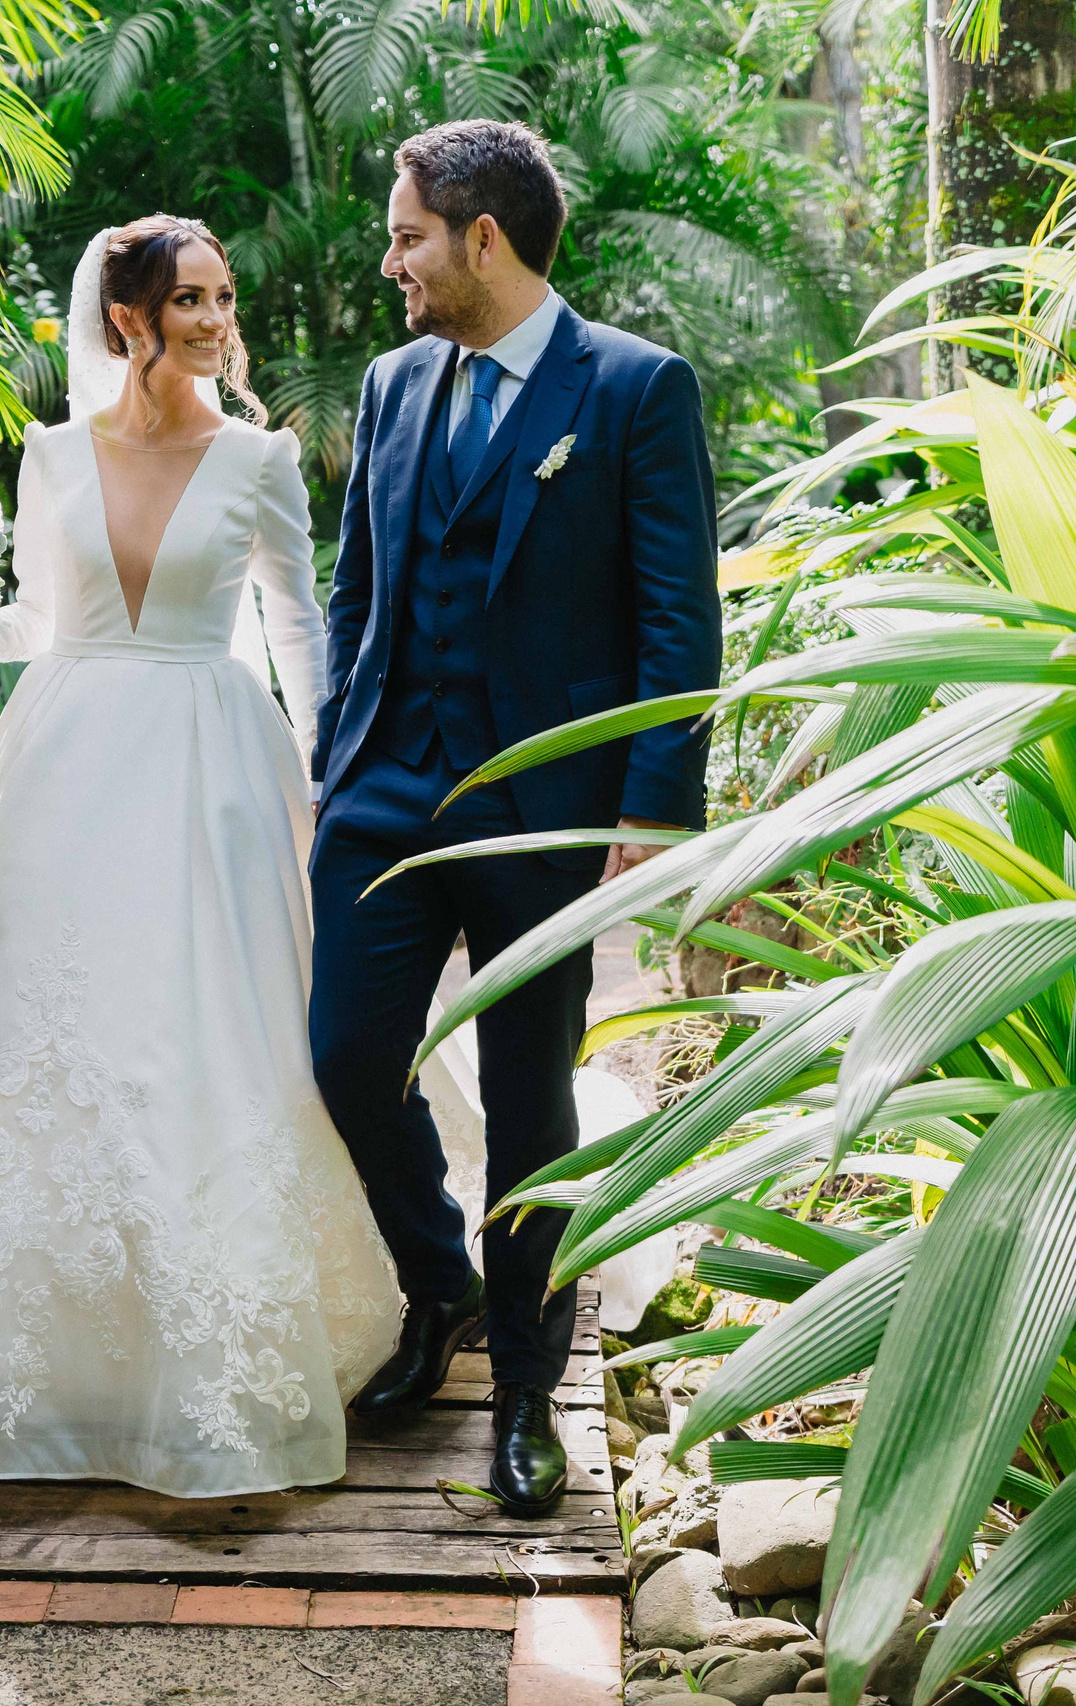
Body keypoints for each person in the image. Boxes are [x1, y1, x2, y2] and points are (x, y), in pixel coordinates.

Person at [0, 216, 404, 1497]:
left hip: (212, 763)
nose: (213, 319)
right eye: (189, 299)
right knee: (37, 1035)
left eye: (222, 297)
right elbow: (37, 618)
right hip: (64, 761)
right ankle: (56, 1369)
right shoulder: (46, 456)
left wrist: (325, 772)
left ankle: (213, 1354)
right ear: (127, 318)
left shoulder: (258, 459)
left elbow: (299, 627)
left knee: (204, 1040)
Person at [307, 120, 721, 1515]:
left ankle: (529, 1392)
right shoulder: (389, 385)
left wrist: (651, 814)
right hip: (382, 795)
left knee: (531, 1098)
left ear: (484, 239)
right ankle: (448, 1283)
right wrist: (333, 751)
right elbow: (358, 584)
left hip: (545, 814)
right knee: (348, 1054)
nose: (391, 259)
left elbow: (678, 623)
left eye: (408, 233)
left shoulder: (634, 391)